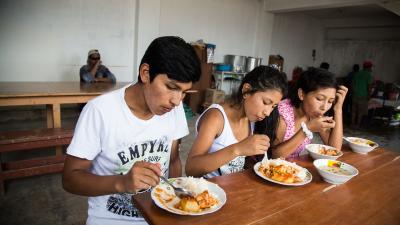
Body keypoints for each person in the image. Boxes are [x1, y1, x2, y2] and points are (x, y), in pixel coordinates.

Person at [63, 36, 201, 225]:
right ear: (145, 73)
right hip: (111, 219)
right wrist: (122, 183)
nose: (177, 101)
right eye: (171, 87)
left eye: (184, 92)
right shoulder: (100, 111)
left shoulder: (173, 109)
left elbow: (174, 159)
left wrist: (175, 203)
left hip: (158, 214)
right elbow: (70, 178)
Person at [185, 66, 288, 178]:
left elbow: (236, 164)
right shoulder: (216, 117)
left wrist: (269, 165)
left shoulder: (250, 118)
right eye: (265, 102)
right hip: (207, 191)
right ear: (246, 90)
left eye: (273, 106)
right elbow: (191, 168)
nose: (268, 112)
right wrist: (238, 149)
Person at [271, 67, 348, 159]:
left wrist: (338, 109)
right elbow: (274, 155)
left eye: (330, 101)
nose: (324, 107)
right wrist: (306, 130)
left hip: (291, 167)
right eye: (319, 99)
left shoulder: (313, 114)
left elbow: (334, 149)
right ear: (301, 94)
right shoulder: (282, 115)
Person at [352, 60, 373, 126]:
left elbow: (352, 84)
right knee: (360, 111)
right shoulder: (368, 75)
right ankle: (357, 124)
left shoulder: (357, 73)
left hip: (355, 94)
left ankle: (352, 124)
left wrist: (354, 91)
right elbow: (369, 87)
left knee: (354, 110)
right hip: (363, 95)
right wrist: (369, 95)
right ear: (369, 67)